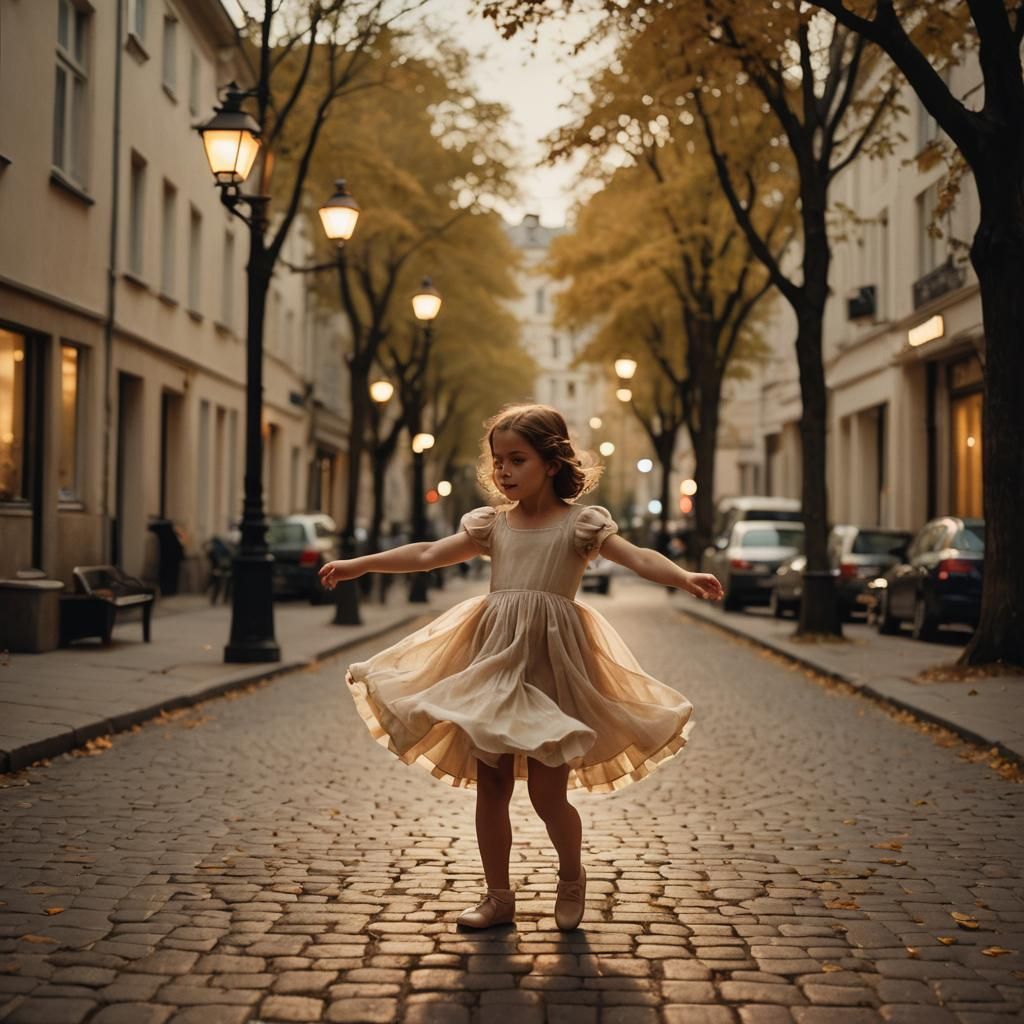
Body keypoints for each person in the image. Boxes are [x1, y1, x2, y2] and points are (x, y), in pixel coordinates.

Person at [319, 403, 723, 932]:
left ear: (551, 463)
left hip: (551, 668)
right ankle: (498, 896)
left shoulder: (581, 524)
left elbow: (637, 556)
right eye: (498, 461)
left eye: (517, 460)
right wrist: (361, 564)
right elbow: (427, 554)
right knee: (492, 788)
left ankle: (571, 876)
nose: (504, 471)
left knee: (547, 795)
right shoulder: (494, 525)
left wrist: (683, 577)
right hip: (493, 665)